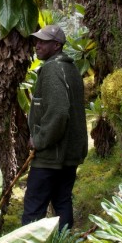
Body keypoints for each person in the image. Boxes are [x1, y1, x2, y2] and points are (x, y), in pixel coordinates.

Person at [22, 24, 88, 230]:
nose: (37, 45)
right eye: (37, 41)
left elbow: (59, 113)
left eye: (43, 41)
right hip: (69, 154)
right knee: (62, 202)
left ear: (57, 45)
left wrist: (39, 140)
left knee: (34, 207)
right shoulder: (70, 68)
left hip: (51, 156)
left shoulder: (52, 69)